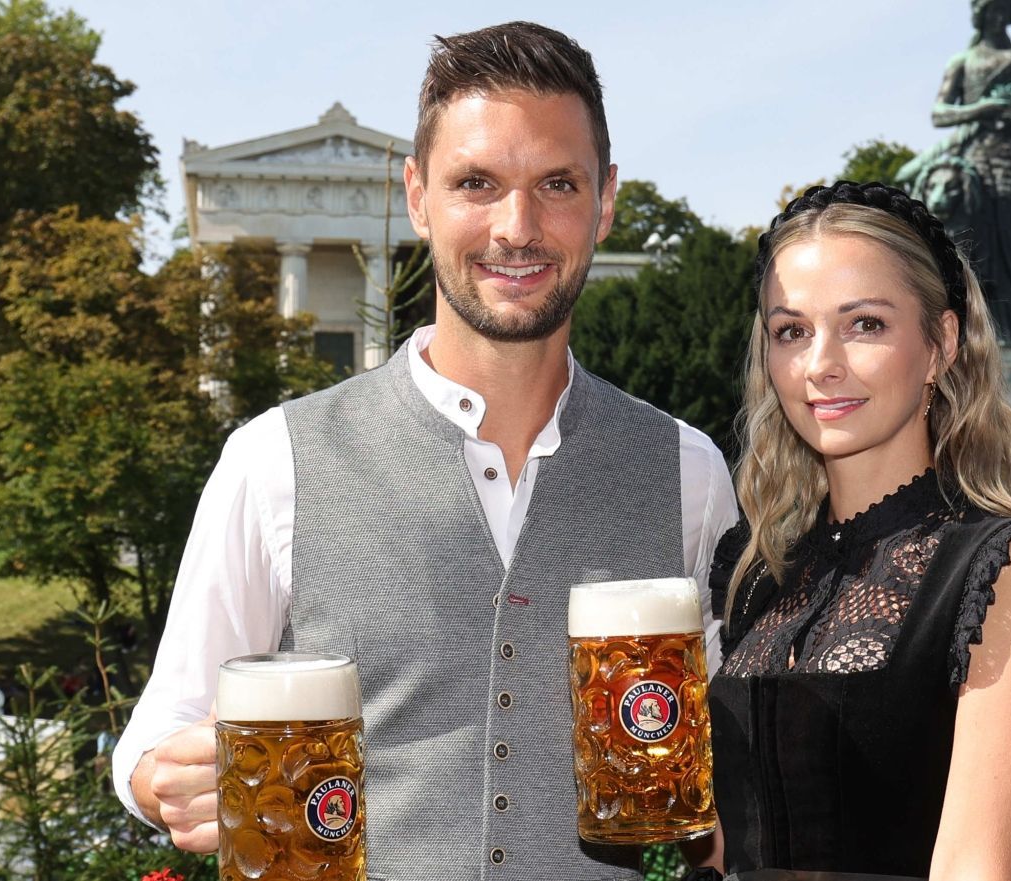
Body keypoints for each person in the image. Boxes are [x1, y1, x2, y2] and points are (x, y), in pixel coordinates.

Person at [110, 23, 737, 879]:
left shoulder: (689, 470)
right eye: (476, 182)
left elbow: (731, 751)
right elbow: (157, 728)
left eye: (557, 183)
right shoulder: (272, 462)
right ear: (417, 195)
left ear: (607, 201)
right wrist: (159, 776)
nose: (517, 227)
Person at [703, 182, 1011, 878]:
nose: (821, 364)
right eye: (791, 330)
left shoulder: (1009, 567)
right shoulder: (755, 571)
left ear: (940, 343)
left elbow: (975, 867)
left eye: (865, 324)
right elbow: (727, 842)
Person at [898, 0, 1011, 347]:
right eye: (990, 9)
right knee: (982, 247)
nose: (996, 15)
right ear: (980, 15)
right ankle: (984, 330)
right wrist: (985, 107)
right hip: (979, 160)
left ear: (1010, 13)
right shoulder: (963, 62)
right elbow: (939, 113)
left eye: (1002, 8)